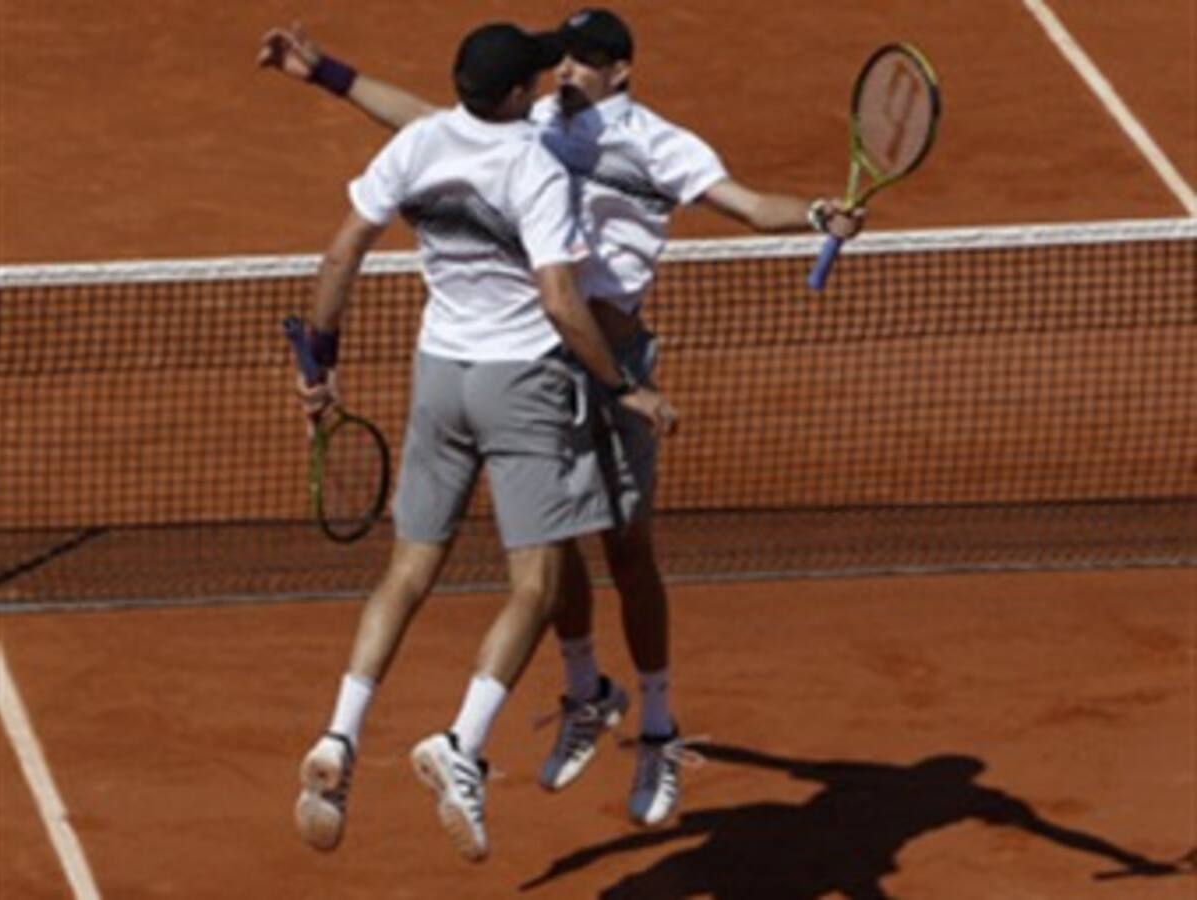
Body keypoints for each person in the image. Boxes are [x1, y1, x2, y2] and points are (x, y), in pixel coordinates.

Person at [260, 7, 863, 829]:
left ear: (620, 71)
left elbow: (751, 206)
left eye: (584, 60)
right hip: (542, 366)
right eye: (562, 59)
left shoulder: (661, 146)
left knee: (627, 548)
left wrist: (817, 215)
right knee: (555, 545)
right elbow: (430, 118)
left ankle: (658, 727)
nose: (568, 72)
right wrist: (329, 74)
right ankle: (585, 692)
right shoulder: (535, 121)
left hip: (611, 361)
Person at [284, 20, 676, 864]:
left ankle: (340, 734)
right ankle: (462, 744)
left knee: (406, 573)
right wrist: (624, 387)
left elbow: (342, 252)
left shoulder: (422, 144)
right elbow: (562, 301)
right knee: (537, 583)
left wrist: (319, 363)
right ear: (516, 95)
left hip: (439, 378)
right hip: (521, 387)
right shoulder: (533, 166)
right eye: (536, 74)